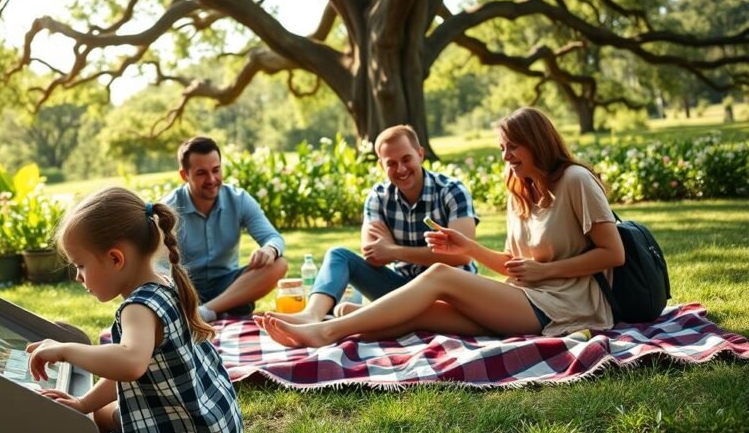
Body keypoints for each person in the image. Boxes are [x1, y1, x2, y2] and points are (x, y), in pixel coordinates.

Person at [257, 107, 625, 347]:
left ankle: (324, 330)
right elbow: (516, 265)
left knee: (440, 275)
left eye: (513, 147)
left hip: (567, 305)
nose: (506, 157)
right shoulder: (521, 190)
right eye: (502, 148)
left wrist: (546, 270)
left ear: (538, 143)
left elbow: (613, 254)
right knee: (419, 314)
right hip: (526, 297)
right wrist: (467, 248)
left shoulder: (576, 180)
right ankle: (336, 330)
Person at [27, 187, 243, 433]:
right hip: (214, 425)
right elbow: (125, 365)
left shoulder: (138, 308)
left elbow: (130, 363)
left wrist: (65, 350)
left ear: (116, 259)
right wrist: (84, 403)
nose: (78, 277)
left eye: (81, 265)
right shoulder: (166, 283)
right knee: (100, 414)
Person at [273, 124, 479, 324]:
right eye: (391, 163)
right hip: (400, 290)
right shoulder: (378, 196)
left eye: (406, 159)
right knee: (338, 255)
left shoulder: (452, 191)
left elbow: (463, 254)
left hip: (449, 292)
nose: (401, 169)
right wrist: (392, 252)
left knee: (440, 293)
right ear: (381, 165)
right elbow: (373, 255)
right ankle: (312, 314)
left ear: (420, 154)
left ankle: (373, 315)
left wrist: (394, 251)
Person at [162, 136, 288, 322]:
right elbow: (154, 265)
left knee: (279, 264)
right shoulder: (168, 209)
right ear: (184, 175)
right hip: (185, 288)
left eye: (216, 170)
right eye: (201, 173)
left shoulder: (239, 199)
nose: (211, 179)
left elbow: (273, 237)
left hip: (229, 286)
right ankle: (215, 309)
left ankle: (205, 312)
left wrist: (269, 249)